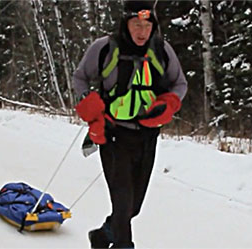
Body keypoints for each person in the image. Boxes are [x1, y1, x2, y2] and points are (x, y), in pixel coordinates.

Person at [73, 1, 188, 248]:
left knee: (133, 206)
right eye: (136, 24)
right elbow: (80, 77)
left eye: (147, 26)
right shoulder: (104, 48)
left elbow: (180, 84)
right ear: (125, 23)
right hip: (113, 136)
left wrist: (169, 103)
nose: (142, 31)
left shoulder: (161, 50)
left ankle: (104, 235)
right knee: (123, 203)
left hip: (147, 137)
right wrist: (88, 103)